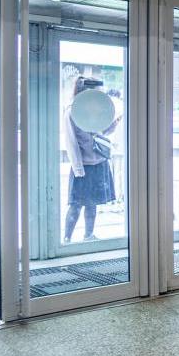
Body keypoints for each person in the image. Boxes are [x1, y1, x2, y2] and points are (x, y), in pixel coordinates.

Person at [62, 75, 120, 242]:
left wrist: (113, 124)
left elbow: (100, 133)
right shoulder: (72, 111)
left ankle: (88, 236)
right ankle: (66, 239)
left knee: (92, 204)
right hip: (84, 165)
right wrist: (78, 168)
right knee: (76, 205)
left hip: (98, 162)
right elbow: (71, 142)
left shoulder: (95, 108)